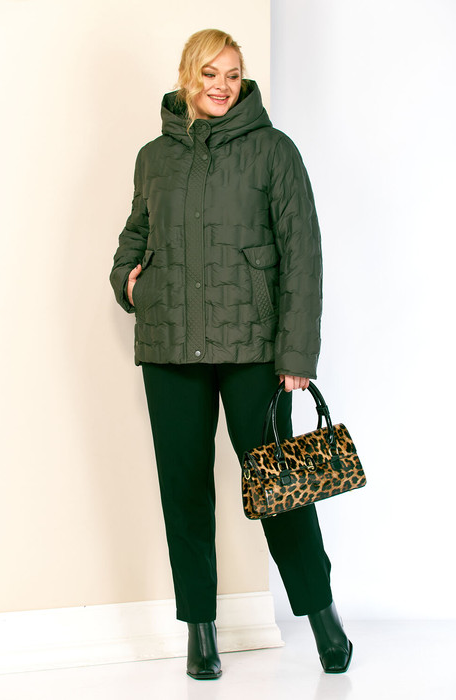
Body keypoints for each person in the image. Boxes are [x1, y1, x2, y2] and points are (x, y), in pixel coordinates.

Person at [110, 28, 353, 680]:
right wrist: (128, 280)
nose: (222, 85)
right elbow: (135, 233)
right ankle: (200, 632)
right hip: (169, 347)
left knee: (280, 487)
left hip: (253, 350)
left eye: (233, 74)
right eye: (210, 73)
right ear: (187, 76)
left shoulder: (274, 151)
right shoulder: (154, 157)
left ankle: (323, 615)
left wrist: (296, 352)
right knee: (184, 493)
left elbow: (303, 254)